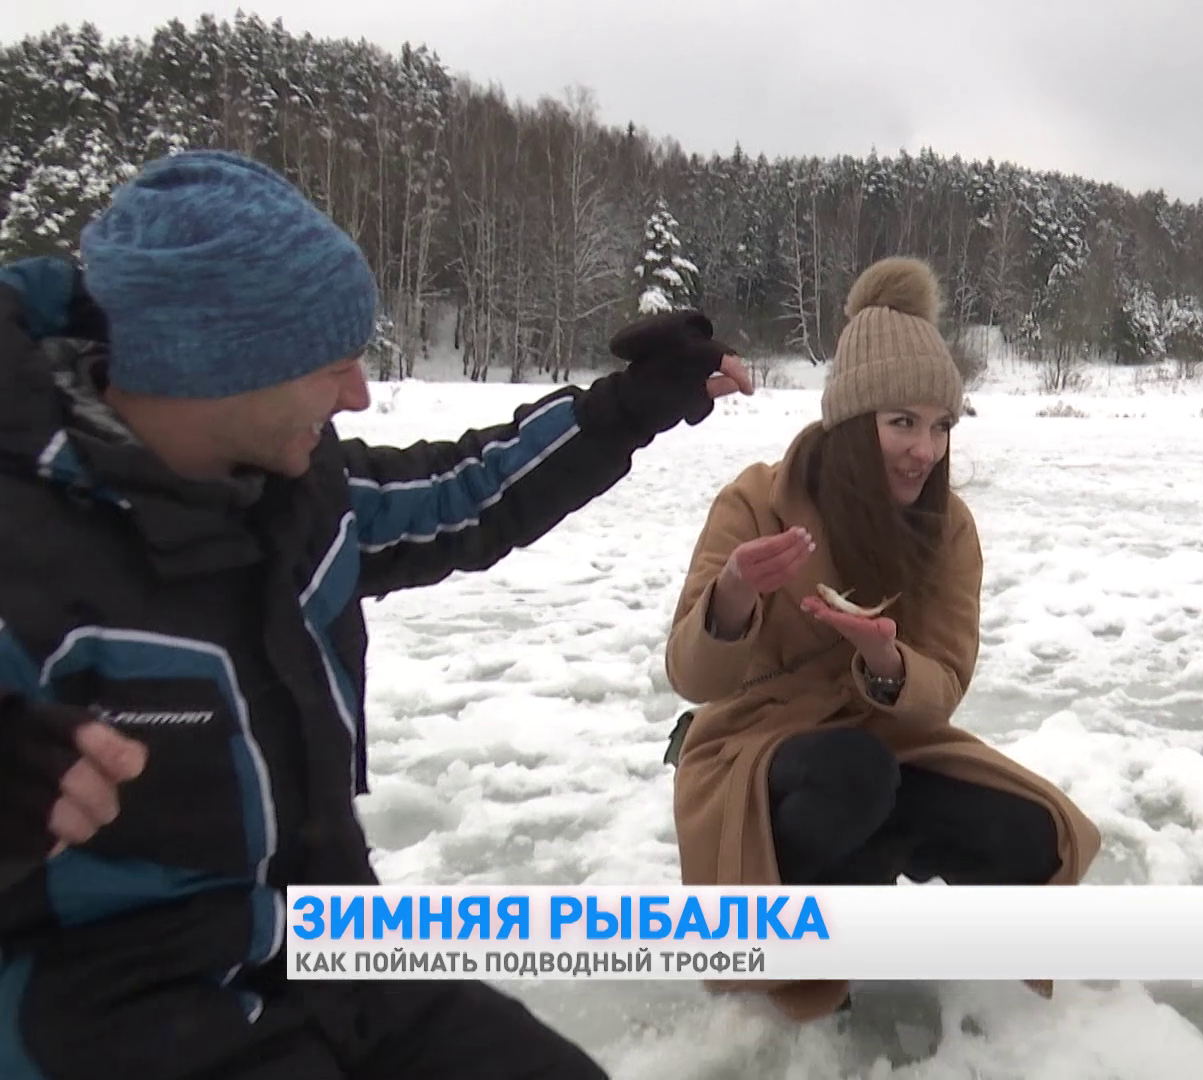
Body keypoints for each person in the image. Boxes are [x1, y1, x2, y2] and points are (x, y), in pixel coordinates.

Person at [0, 149, 753, 1080]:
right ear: (218, 367)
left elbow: (461, 496)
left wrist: (622, 412)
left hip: (334, 948)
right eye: (330, 364)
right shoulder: (25, 548)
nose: (358, 393)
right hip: (121, 1019)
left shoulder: (298, 495)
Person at [663, 255, 1103, 1021]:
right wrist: (732, 595)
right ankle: (806, 932)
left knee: (1033, 838)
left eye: (940, 426)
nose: (924, 451)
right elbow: (693, 676)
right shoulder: (759, 501)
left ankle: (871, 870)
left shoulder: (948, 528)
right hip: (757, 748)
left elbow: (946, 682)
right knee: (852, 781)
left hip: (888, 739)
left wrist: (887, 661)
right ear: (851, 422)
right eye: (902, 422)